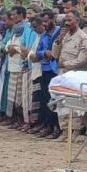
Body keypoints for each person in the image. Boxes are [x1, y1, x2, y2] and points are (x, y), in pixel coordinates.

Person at [52, 10, 87, 139]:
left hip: (75, 75)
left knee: (75, 104)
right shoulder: (65, 36)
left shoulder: (83, 38)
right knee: (62, 103)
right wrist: (59, 39)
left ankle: (76, 130)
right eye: (66, 21)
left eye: (70, 20)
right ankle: (65, 130)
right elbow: (55, 55)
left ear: (77, 21)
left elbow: (82, 59)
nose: (67, 23)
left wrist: (65, 64)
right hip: (63, 75)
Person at [30, 11, 62, 139]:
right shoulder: (44, 35)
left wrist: (50, 53)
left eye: (46, 21)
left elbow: (56, 53)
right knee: (45, 99)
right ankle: (48, 125)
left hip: (56, 70)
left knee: (55, 99)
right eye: (42, 21)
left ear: (53, 19)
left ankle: (56, 127)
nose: (44, 24)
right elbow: (38, 52)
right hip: (45, 69)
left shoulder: (60, 33)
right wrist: (45, 53)